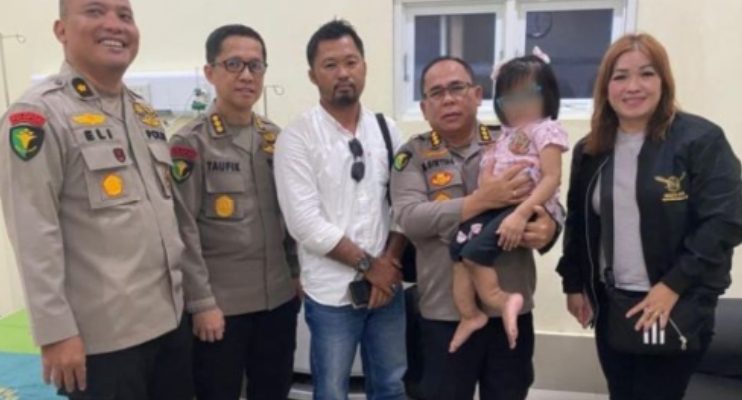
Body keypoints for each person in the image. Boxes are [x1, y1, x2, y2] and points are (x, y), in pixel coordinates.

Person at [0, 0, 192, 398]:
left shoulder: (143, 113)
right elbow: (34, 231)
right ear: (61, 30)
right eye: (94, 11)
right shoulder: (38, 115)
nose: (114, 25)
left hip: (169, 323)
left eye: (125, 16)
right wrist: (55, 333)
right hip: (102, 341)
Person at [556, 33, 742, 400]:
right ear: (606, 87)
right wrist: (574, 284)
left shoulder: (700, 140)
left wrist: (672, 285)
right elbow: (579, 220)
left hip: (676, 301)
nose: (633, 87)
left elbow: (725, 221)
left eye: (646, 73)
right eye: (620, 76)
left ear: (664, 81)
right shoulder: (591, 149)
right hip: (612, 302)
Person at [390, 56, 560, 400]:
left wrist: (550, 228)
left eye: (457, 88)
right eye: (436, 93)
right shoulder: (412, 155)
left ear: (478, 94)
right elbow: (410, 217)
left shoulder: (514, 140)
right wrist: (480, 201)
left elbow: (550, 193)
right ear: (424, 107)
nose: (448, 99)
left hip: (510, 305)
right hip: (444, 312)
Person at [274, 19, 408, 400]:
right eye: (330, 65)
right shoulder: (297, 138)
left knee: (391, 386)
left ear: (364, 66)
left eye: (351, 62)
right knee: (331, 391)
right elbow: (305, 224)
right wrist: (370, 267)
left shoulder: (387, 130)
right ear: (312, 75)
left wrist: (388, 264)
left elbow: (404, 204)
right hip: (331, 295)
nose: (343, 73)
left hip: (388, 289)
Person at [169, 24, 300, 400]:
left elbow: (288, 216)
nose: (246, 75)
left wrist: (295, 274)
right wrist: (201, 304)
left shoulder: (276, 139)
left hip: (278, 300)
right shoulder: (190, 143)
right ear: (210, 72)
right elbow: (182, 230)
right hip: (221, 308)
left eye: (255, 66)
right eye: (234, 64)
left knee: (274, 391)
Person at [448, 54, 569, 353]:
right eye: (508, 98)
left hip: (520, 209)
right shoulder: (503, 136)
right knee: (458, 247)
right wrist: (488, 185)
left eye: (528, 94)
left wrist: (523, 214)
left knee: (474, 254)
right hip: (497, 208)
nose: (518, 104)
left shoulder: (545, 130)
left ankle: (503, 300)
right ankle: (470, 315)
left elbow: (552, 178)